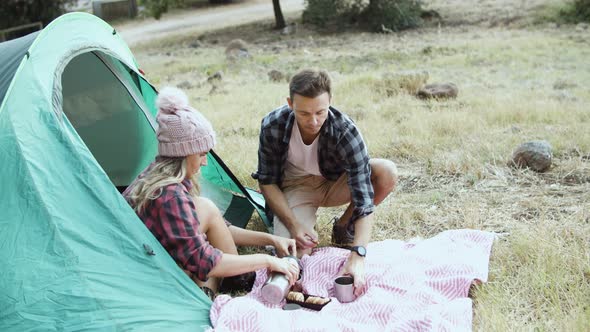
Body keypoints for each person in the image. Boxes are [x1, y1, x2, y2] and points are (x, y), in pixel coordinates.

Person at [123, 87, 299, 300]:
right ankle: (209, 291)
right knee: (206, 227)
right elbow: (204, 260)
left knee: (206, 207)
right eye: (201, 154)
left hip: (149, 256)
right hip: (148, 274)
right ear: (183, 154)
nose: (205, 161)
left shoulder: (158, 175)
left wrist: (271, 239)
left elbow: (221, 228)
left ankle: (228, 279)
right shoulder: (170, 196)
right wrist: (267, 260)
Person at [252, 69, 397, 296]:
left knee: (386, 171)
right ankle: (299, 226)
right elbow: (267, 182)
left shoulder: (345, 130)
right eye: (304, 114)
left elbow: (364, 197)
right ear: (290, 104)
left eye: (320, 112)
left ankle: (344, 226)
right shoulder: (273, 125)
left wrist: (358, 255)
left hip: (335, 183)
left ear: (330, 101)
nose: (313, 121)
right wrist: (293, 225)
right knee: (295, 255)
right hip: (295, 186)